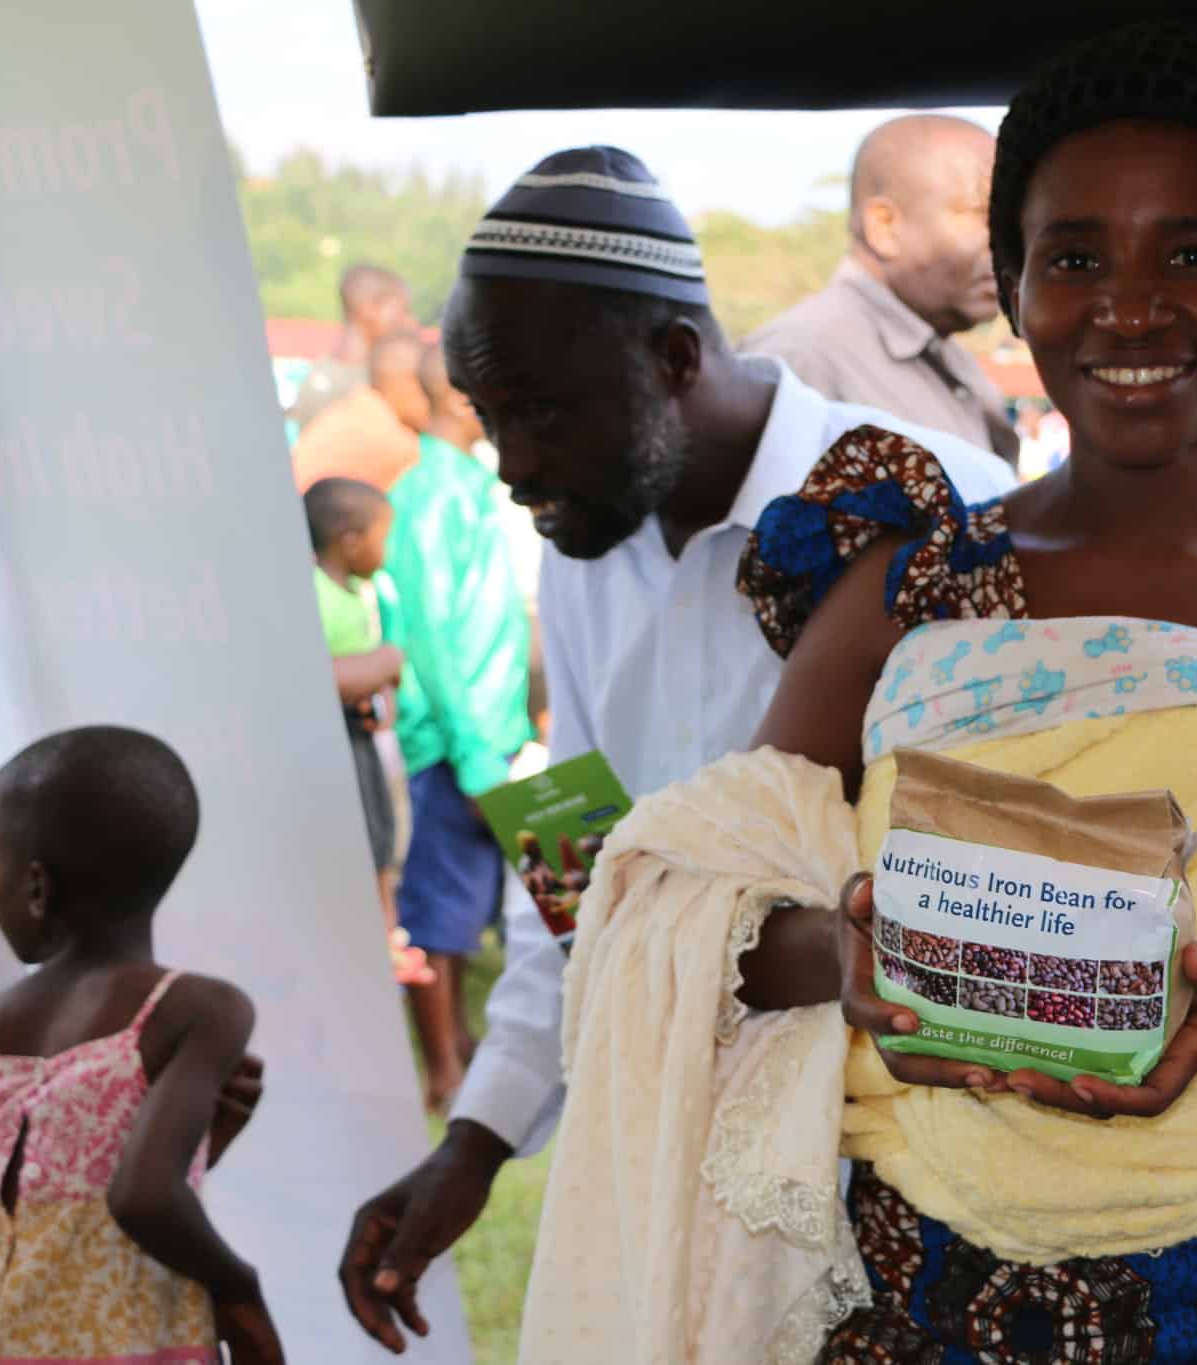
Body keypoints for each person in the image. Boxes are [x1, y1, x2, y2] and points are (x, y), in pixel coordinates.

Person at [519, 27, 1197, 1362]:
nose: (1129, 308)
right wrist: (854, 963)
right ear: (1014, 290)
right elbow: (723, 910)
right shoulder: (906, 585)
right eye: (1073, 259)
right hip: (915, 1315)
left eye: (1192, 254)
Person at [334, 145, 1014, 1354]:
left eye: (540, 413)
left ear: (674, 360)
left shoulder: (937, 505)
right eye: (490, 420)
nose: (512, 469)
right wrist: (473, 1141)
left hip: (924, 1187)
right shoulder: (577, 546)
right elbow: (579, 863)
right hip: (685, 1169)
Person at [0, 727, 281, 1364]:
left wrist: (205, 1149)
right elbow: (141, 1198)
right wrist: (241, 1291)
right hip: (117, 1341)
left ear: (36, 887)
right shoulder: (196, 1009)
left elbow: (42, 1202)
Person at [378, 343, 533, 1113]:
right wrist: (477, 759)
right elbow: (435, 639)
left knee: (491, 905)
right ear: (467, 400)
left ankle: (472, 1049)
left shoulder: (473, 484)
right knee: (439, 912)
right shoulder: (431, 495)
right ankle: (443, 1071)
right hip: (455, 745)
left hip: (495, 733)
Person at [743, 115, 1019, 463]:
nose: (1007, 242)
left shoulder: (950, 359)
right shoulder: (800, 359)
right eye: (981, 214)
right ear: (884, 226)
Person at [303, 476, 434, 990]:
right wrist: (385, 663)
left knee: (381, 837)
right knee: (360, 837)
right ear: (350, 540)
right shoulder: (314, 594)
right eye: (383, 536)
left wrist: (383, 687)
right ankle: (374, 939)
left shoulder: (362, 591)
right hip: (337, 745)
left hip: (365, 740)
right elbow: (327, 675)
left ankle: (388, 935)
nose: (389, 549)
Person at [290, 330, 429, 495]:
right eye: (427, 387)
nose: (434, 400)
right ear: (405, 383)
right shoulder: (396, 442)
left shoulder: (357, 405)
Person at [286, 264, 415, 431]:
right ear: (370, 309)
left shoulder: (323, 376)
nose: (410, 323)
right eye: (403, 311)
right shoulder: (332, 386)